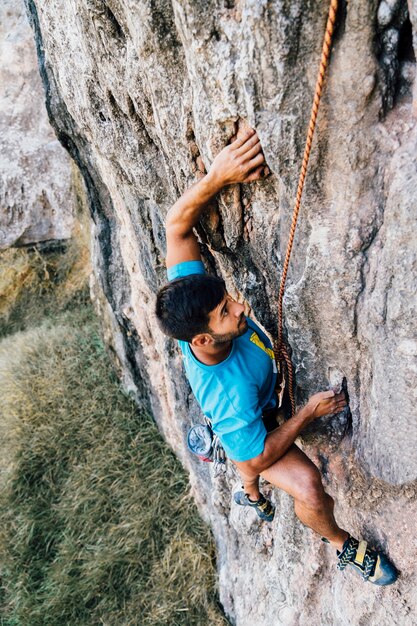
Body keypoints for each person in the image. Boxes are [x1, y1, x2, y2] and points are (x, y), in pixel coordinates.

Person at [155, 127, 398, 586]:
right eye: (227, 312)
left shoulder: (190, 303)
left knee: (248, 462)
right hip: (255, 429)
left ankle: (251, 497)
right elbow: (256, 456)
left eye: (229, 298)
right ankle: (344, 546)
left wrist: (219, 176)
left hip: (250, 417)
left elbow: (177, 224)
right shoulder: (231, 392)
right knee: (304, 487)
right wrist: (307, 411)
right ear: (203, 341)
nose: (240, 306)